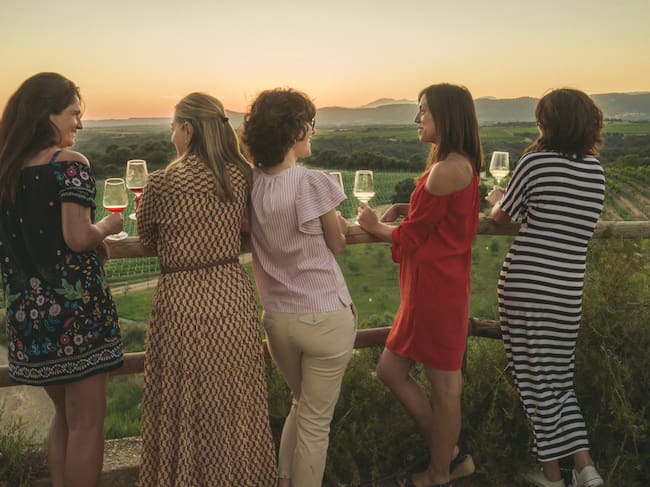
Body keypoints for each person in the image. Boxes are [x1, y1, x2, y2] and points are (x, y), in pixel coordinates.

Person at [136, 92, 276, 486]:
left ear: (188, 129)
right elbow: (253, 227)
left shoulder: (161, 182)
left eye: (172, 129)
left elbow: (146, 238)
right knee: (236, 404)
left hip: (180, 304)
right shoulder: (243, 176)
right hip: (231, 299)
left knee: (182, 405)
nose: (171, 138)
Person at [0, 72, 124, 487]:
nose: (80, 124)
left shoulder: (7, 171)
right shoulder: (70, 165)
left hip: (28, 319)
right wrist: (107, 228)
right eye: (73, 114)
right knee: (87, 423)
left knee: (64, 419)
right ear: (47, 115)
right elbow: (77, 237)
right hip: (78, 317)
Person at [357, 83, 481, 487]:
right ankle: (450, 454)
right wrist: (405, 208)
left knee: (445, 388)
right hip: (432, 289)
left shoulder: (446, 169)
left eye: (423, 110)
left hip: (435, 292)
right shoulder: (458, 164)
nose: (417, 118)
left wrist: (373, 225)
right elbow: (435, 221)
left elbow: (411, 237)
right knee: (390, 370)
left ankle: (439, 473)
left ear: (446, 115)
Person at [485, 88, 605, 487]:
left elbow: (501, 217)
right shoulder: (595, 171)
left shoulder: (535, 162)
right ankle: (584, 468)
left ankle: (553, 476)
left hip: (527, 285)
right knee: (559, 380)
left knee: (534, 382)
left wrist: (498, 197)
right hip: (567, 289)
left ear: (548, 124)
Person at [240, 88, 356, 487]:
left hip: (278, 320)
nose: (313, 131)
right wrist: (339, 225)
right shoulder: (312, 182)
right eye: (310, 124)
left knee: (300, 404)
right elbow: (336, 243)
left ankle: (284, 480)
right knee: (315, 425)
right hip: (324, 315)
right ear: (294, 132)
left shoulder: (251, 185)